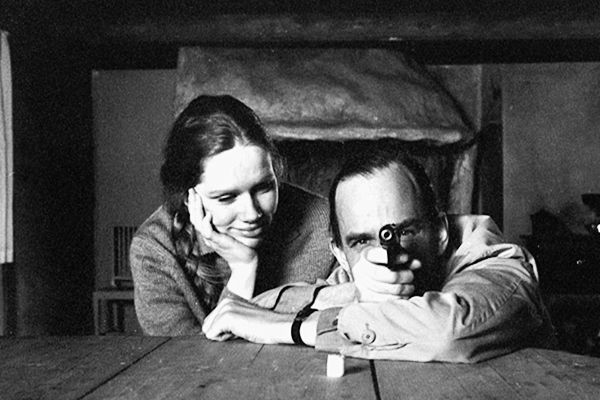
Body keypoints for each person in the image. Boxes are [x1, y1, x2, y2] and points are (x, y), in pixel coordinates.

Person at [202, 147, 556, 363]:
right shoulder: (351, 276)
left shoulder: (498, 262)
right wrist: (357, 298)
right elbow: (251, 312)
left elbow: (445, 332)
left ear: (441, 233)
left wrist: (301, 328)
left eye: (404, 231)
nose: (385, 254)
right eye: (360, 241)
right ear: (339, 255)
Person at [130, 94, 336, 336]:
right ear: (189, 198)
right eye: (226, 198)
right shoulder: (154, 249)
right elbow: (185, 368)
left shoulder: (326, 222)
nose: (252, 213)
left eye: (264, 187)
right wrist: (243, 269)